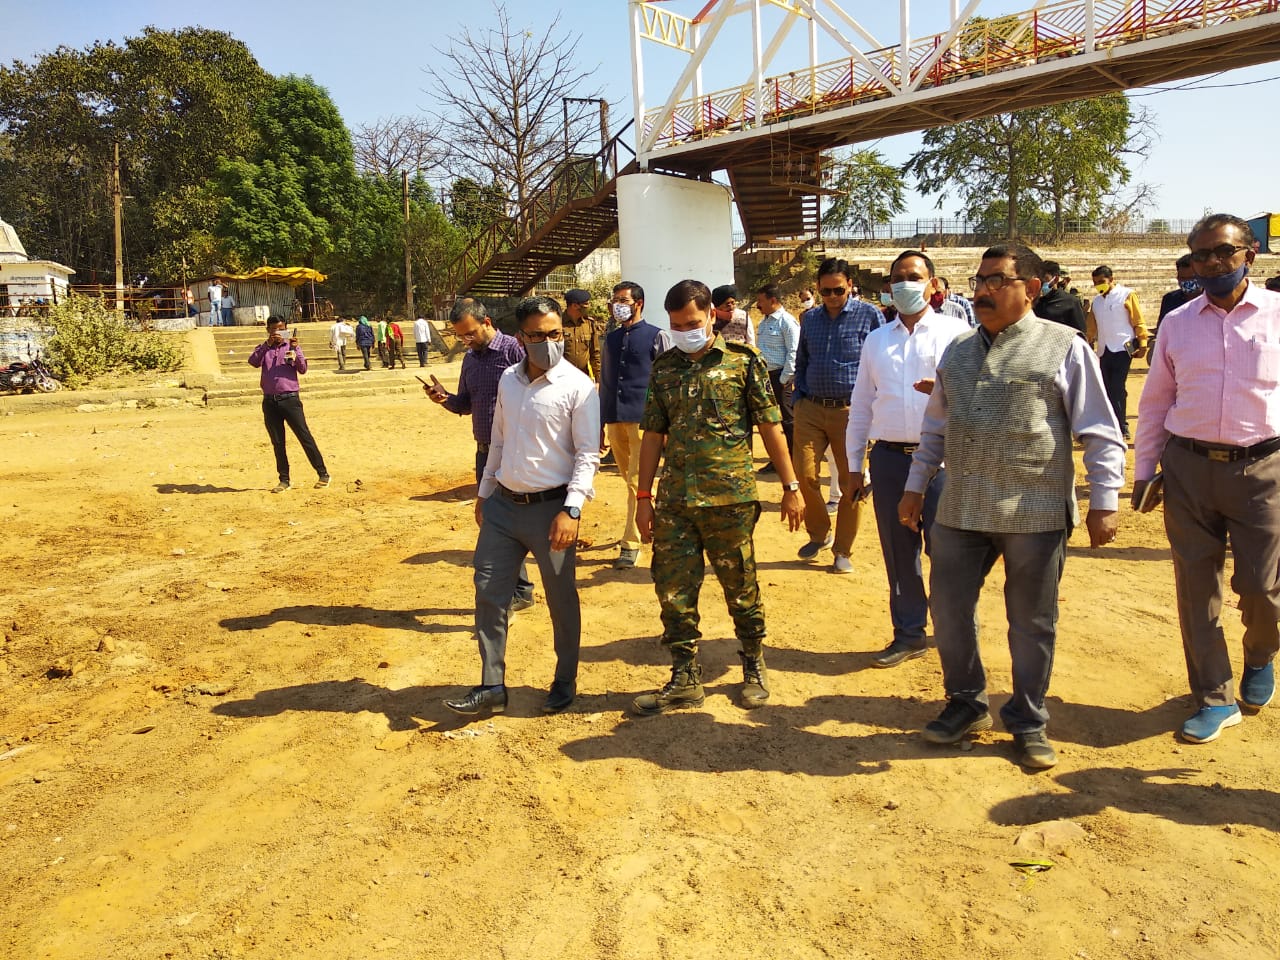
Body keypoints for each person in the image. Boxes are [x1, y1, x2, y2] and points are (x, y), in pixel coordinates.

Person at [900, 243, 1125, 769]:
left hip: (1036, 509)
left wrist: (1105, 501)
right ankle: (965, 703)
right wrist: (915, 486)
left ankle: (1027, 719)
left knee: (1031, 622)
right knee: (950, 612)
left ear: (1032, 288)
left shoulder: (1065, 346)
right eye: (980, 280)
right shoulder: (957, 351)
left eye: (998, 280)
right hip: (960, 507)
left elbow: (1099, 430)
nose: (983, 290)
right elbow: (936, 428)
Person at [1134, 213, 1280, 745]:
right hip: (1189, 468)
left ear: (1250, 253)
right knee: (1197, 590)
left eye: (1223, 252)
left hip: (1264, 469)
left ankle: (1261, 652)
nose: (1212, 263)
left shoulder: (1278, 315)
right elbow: (1154, 404)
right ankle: (1215, 698)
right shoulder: (1177, 321)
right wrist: (1145, 470)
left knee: (1262, 589)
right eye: (1201, 255)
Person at [631, 279, 803, 715]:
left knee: (741, 586)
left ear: (712, 316)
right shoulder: (665, 368)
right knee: (673, 590)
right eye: (674, 324)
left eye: (691, 322)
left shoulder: (744, 363)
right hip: (675, 503)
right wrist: (644, 496)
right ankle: (685, 675)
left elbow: (771, 427)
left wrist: (791, 487)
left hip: (730, 498)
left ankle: (753, 665)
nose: (683, 330)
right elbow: (653, 434)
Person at [444, 296, 600, 718]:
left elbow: (588, 454)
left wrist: (572, 510)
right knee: (489, 594)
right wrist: (484, 491)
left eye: (556, 335)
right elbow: (498, 439)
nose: (549, 343)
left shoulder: (578, 387)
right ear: (521, 337)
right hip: (502, 507)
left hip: (551, 512)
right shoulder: (509, 381)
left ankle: (564, 679)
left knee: (561, 600)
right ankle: (492, 684)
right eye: (538, 336)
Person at [846, 250, 970, 668]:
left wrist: (946, 389)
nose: (904, 284)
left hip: (942, 460)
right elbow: (862, 406)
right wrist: (852, 466)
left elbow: (977, 396)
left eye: (913, 276)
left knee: (947, 550)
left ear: (933, 284)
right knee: (899, 552)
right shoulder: (877, 339)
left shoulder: (956, 334)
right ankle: (909, 633)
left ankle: (953, 631)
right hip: (889, 460)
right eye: (897, 277)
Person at [425, 299, 535, 611]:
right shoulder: (470, 360)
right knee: (494, 522)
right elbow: (464, 404)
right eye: (461, 337)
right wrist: (443, 398)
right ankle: (521, 589)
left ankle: (516, 593)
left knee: (510, 522)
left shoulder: (515, 350)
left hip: (516, 451)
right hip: (484, 453)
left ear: (487, 322)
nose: (466, 341)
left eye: (470, 334)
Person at [791, 257, 881, 573]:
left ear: (850, 286)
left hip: (851, 412)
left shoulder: (869, 316)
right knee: (805, 475)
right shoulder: (810, 319)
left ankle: (843, 550)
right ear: (818, 288)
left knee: (851, 482)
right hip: (810, 408)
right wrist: (798, 397)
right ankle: (820, 534)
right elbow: (802, 359)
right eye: (826, 291)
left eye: (838, 290)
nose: (832, 296)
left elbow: (879, 362)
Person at [600, 281, 672, 570]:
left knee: (635, 482)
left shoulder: (657, 336)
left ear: (638, 303)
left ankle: (630, 543)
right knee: (629, 480)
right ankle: (653, 520)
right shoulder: (611, 338)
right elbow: (605, 380)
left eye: (623, 299)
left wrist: (666, 422)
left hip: (645, 421)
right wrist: (600, 422)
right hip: (616, 419)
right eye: (615, 299)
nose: (617, 304)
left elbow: (666, 380)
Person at [247, 316, 331, 493]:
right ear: (268, 330)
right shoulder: (264, 349)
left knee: (304, 436)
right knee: (278, 442)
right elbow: (253, 362)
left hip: (290, 399)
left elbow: (302, 369)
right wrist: (266, 345)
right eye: (274, 329)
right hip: (270, 401)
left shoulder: (291, 347)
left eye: (281, 329)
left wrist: (296, 349)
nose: (278, 333)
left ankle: (323, 473)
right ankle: (284, 480)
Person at [1086, 265, 1148, 440]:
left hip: (1123, 348)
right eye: (1095, 283)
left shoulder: (1127, 295)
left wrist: (1142, 342)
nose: (1099, 285)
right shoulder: (1097, 302)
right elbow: (1091, 327)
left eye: (1102, 282)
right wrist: (1087, 341)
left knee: (1117, 387)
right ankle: (1110, 423)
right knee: (1106, 387)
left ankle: (1122, 426)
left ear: (1111, 279)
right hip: (1104, 350)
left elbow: (1138, 320)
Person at [754, 283, 800, 467]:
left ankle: (793, 459)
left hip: (780, 377)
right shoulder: (765, 321)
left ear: (773, 300)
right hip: (765, 377)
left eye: (760, 301)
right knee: (771, 420)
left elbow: (794, 352)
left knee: (788, 420)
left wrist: (784, 379)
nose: (758, 305)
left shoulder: (786, 322)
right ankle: (778, 459)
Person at [1033, 259, 1087, 335]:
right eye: (1039, 280)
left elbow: (1080, 333)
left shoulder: (1070, 302)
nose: (1041, 283)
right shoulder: (1034, 302)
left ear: (1056, 279)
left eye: (1045, 279)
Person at [561, 288, 604, 380]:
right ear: (575, 305)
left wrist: (598, 379)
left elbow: (595, 353)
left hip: (583, 378)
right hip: (562, 378)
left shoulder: (589, 324)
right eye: (586, 304)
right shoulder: (558, 323)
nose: (589, 306)